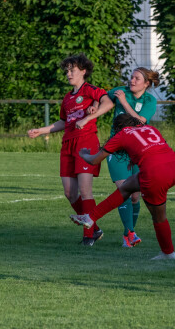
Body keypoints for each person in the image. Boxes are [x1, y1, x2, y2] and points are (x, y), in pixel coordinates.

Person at [28, 53, 114, 246]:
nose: (68, 74)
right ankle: (95, 227)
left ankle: (88, 236)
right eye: (66, 70)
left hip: (86, 143)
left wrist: (88, 118)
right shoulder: (68, 98)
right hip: (68, 145)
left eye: (72, 70)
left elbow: (108, 102)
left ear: (83, 71)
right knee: (69, 193)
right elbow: (63, 122)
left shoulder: (90, 90)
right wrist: (40, 131)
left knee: (85, 191)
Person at [70, 113, 175, 260]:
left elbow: (94, 160)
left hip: (155, 174)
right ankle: (90, 217)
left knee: (159, 217)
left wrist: (84, 155)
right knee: (128, 185)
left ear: (118, 127)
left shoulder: (122, 134)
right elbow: (155, 148)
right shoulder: (150, 128)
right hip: (174, 166)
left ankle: (168, 253)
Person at [106, 68, 159, 248]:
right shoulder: (120, 91)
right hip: (118, 150)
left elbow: (140, 122)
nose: (132, 80)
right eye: (132, 77)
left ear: (146, 84)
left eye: (137, 78)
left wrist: (123, 103)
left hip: (138, 152)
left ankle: (127, 233)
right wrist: (95, 108)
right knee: (124, 192)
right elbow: (103, 97)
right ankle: (129, 234)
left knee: (135, 197)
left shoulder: (150, 100)